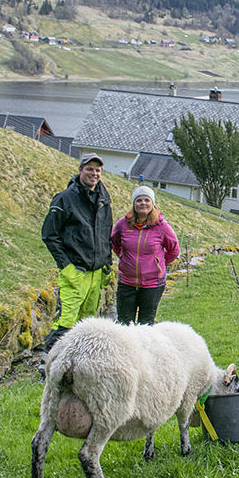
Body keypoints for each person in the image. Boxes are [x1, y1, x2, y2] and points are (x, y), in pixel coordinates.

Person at [40, 152, 113, 359]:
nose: (94, 173)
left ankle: (78, 364)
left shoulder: (103, 199)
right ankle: (48, 363)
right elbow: (49, 235)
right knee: (66, 321)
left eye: (97, 170)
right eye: (89, 169)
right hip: (75, 270)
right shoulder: (65, 199)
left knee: (87, 324)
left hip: (96, 272)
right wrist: (65, 265)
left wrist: (107, 263)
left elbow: (105, 232)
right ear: (80, 170)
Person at [110, 185, 180, 325]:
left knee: (146, 325)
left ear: (152, 203)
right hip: (127, 283)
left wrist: (158, 263)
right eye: (139, 200)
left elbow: (174, 249)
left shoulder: (162, 226)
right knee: (124, 324)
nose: (143, 203)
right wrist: (123, 257)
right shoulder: (123, 224)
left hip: (152, 285)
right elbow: (114, 242)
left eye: (147, 200)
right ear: (134, 204)